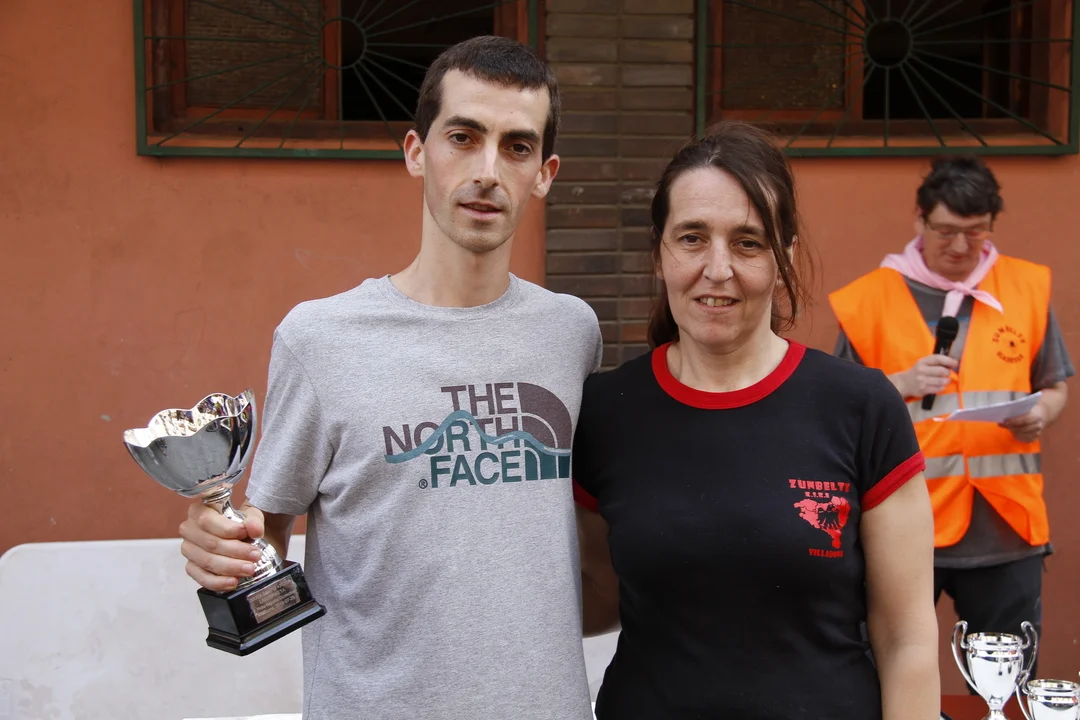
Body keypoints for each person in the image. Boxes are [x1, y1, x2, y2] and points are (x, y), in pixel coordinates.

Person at [178, 36, 602, 719]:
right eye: (462, 137)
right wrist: (224, 546)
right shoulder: (320, 340)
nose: (488, 171)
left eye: (517, 147)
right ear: (416, 152)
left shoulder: (571, 333)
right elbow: (268, 530)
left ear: (545, 173)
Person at [573, 122, 940, 720]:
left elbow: (908, 641)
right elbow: (597, 597)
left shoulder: (860, 405)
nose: (717, 268)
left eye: (747, 242)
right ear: (659, 254)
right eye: (692, 238)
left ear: (783, 258)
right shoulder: (605, 412)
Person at [829, 156, 1072, 675]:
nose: (961, 246)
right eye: (945, 231)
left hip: (1006, 529)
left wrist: (1042, 413)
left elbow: (1054, 385)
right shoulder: (868, 300)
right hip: (900, 527)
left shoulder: (1026, 288)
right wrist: (901, 383)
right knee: (880, 675)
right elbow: (839, 410)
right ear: (919, 219)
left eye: (976, 232)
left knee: (1005, 683)